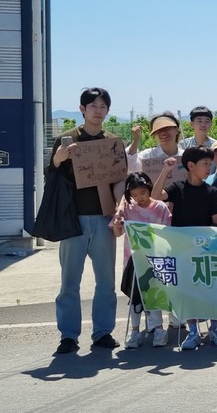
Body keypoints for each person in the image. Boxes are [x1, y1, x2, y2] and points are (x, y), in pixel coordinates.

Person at [49, 87, 121, 354]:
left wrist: (120, 208)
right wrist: (58, 159)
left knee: (106, 281)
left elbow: (119, 179)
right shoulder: (66, 139)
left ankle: (103, 332)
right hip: (73, 219)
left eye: (103, 106)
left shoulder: (112, 141)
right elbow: (51, 175)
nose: (98, 111)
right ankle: (68, 335)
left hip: (103, 218)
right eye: (93, 106)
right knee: (69, 281)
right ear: (82, 109)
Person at [152, 146, 217, 350]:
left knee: (211, 289)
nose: (208, 167)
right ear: (191, 166)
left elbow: (216, 223)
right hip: (181, 251)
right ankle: (193, 331)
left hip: (206, 252)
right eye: (205, 163)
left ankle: (215, 328)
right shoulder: (177, 188)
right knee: (187, 290)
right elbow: (156, 196)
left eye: (210, 164)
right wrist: (165, 170)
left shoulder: (211, 192)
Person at [110, 172, 172, 348]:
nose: (140, 198)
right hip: (133, 261)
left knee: (154, 294)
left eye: (143, 193)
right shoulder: (127, 209)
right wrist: (117, 224)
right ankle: (135, 331)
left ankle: (159, 329)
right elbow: (117, 233)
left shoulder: (160, 207)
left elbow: (167, 233)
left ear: (149, 188)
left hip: (154, 259)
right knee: (135, 297)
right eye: (135, 195)